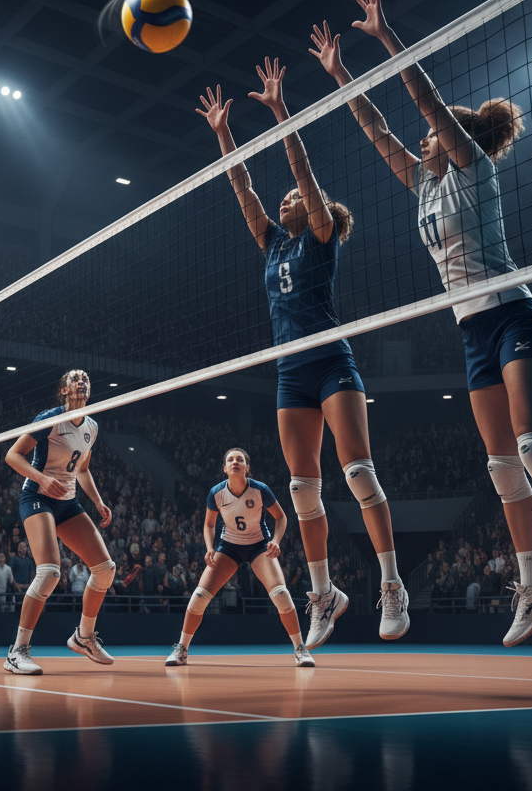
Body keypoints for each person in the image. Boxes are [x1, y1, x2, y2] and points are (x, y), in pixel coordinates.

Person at [311, 0, 532, 645]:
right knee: (499, 465)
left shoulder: (470, 167)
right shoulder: (422, 186)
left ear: (452, 137)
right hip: (471, 331)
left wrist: (384, 36)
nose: (422, 138)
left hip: (514, 316)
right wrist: (341, 72)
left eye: (434, 133)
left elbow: (424, 99)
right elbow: (376, 127)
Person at [197, 59, 406, 649]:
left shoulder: (320, 236)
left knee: (359, 471)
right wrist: (223, 133)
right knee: (302, 489)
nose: (286, 199)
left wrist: (282, 111)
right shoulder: (269, 245)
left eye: (295, 198)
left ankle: (392, 584)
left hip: (331, 361)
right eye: (284, 199)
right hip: (290, 370)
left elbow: (302, 172)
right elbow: (243, 187)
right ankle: (323, 594)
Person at [2, 369, 116, 675]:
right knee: (50, 572)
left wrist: (97, 501)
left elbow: (82, 469)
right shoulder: (50, 418)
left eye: (85, 379)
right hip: (37, 497)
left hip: (68, 501)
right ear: (63, 390)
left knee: (105, 570)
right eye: (75, 379)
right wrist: (42, 478)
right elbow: (13, 455)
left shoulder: (92, 425)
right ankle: (17, 651)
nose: (81, 382)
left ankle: (84, 637)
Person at [166, 448, 314, 667]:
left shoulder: (260, 489)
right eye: (230, 459)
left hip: (259, 546)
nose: (235, 462)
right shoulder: (216, 493)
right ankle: (182, 649)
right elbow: (208, 524)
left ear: (247, 467)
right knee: (199, 596)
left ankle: (301, 649)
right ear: (225, 468)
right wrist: (210, 547)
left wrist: (276, 541)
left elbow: (281, 518)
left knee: (281, 594)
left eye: (240, 459)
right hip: (229, 547)